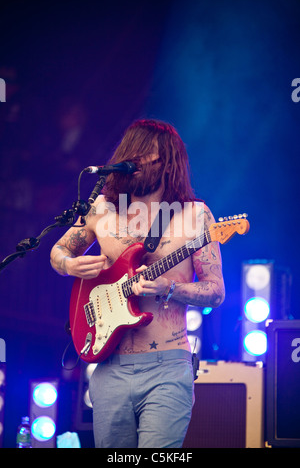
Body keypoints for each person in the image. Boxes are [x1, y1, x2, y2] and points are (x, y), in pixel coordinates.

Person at [50, 119, 225, 448]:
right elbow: (58, 251)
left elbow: (216, 291)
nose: (136, 161)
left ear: (168, 161)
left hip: (167, 369)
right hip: (109, 368)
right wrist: (71, 264)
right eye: (133, 153)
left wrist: (168, 288)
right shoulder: (101, 209)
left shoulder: (195, 215)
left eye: (147, 155)